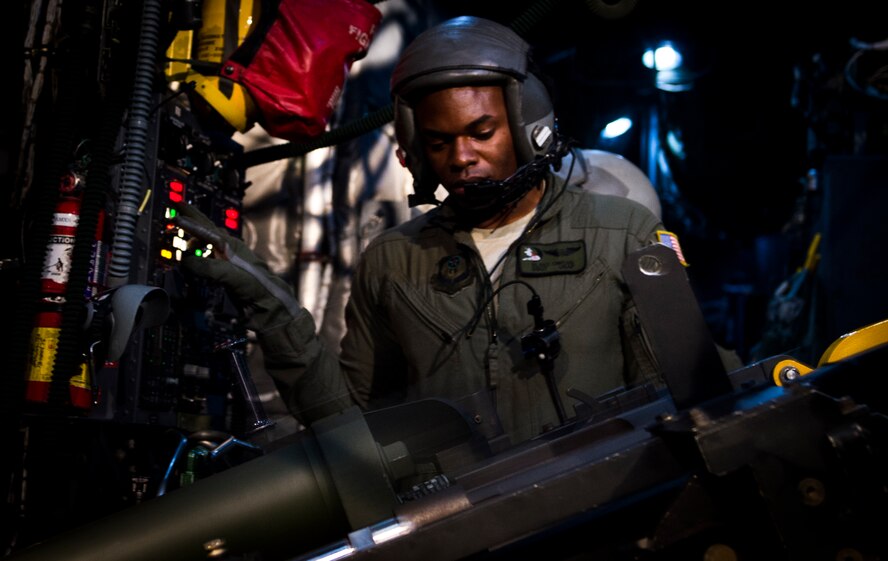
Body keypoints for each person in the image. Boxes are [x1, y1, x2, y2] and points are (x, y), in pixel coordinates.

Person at [175, 15, 667, 446]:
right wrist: (267, 299)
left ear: (528, 128)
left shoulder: (623, 231)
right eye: (438, 142)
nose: (461, 158)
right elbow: (352, 427)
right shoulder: (393, 260)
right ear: (414, 150)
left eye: (481, 133)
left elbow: (679, 398)